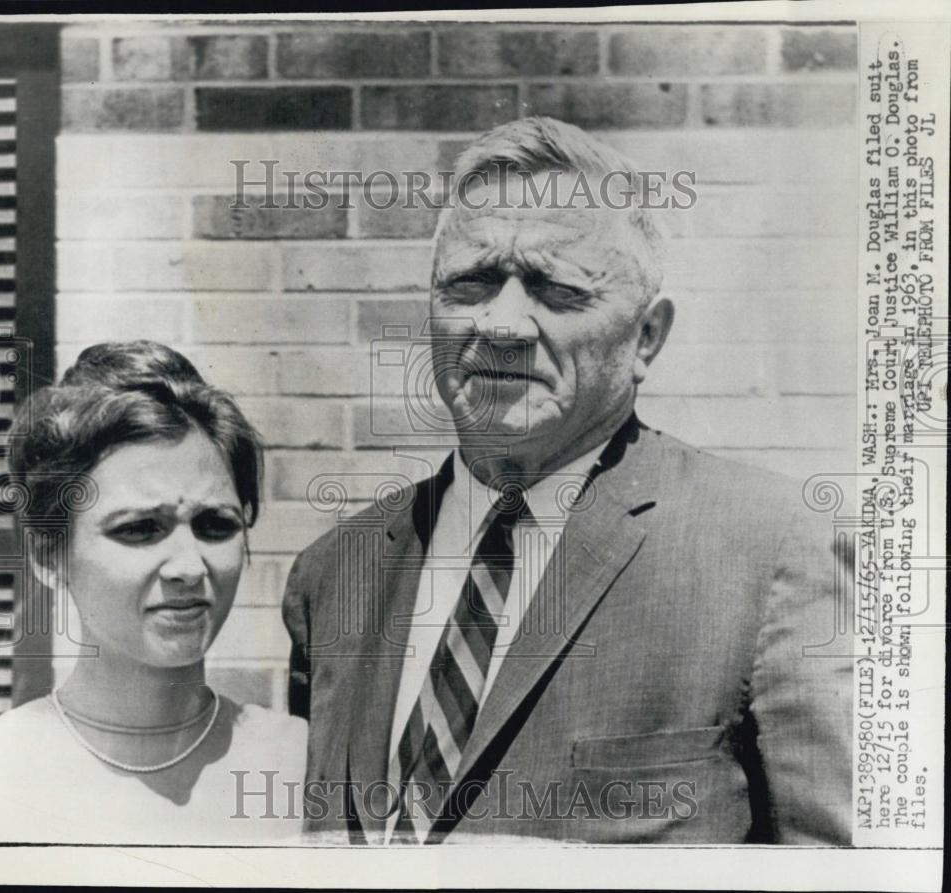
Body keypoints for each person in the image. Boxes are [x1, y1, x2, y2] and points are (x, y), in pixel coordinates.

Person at [282, 117, 854, 845]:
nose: (503, 323)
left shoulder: (770, 550)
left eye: (556, 289)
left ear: (647, 336)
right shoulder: (335, 574)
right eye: (472, 282)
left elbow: (838, 869)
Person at [0, 341, 306, 845]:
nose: (189, 568)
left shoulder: (304, 766)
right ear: (48, 556)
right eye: (140, 529)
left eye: (215, 525)